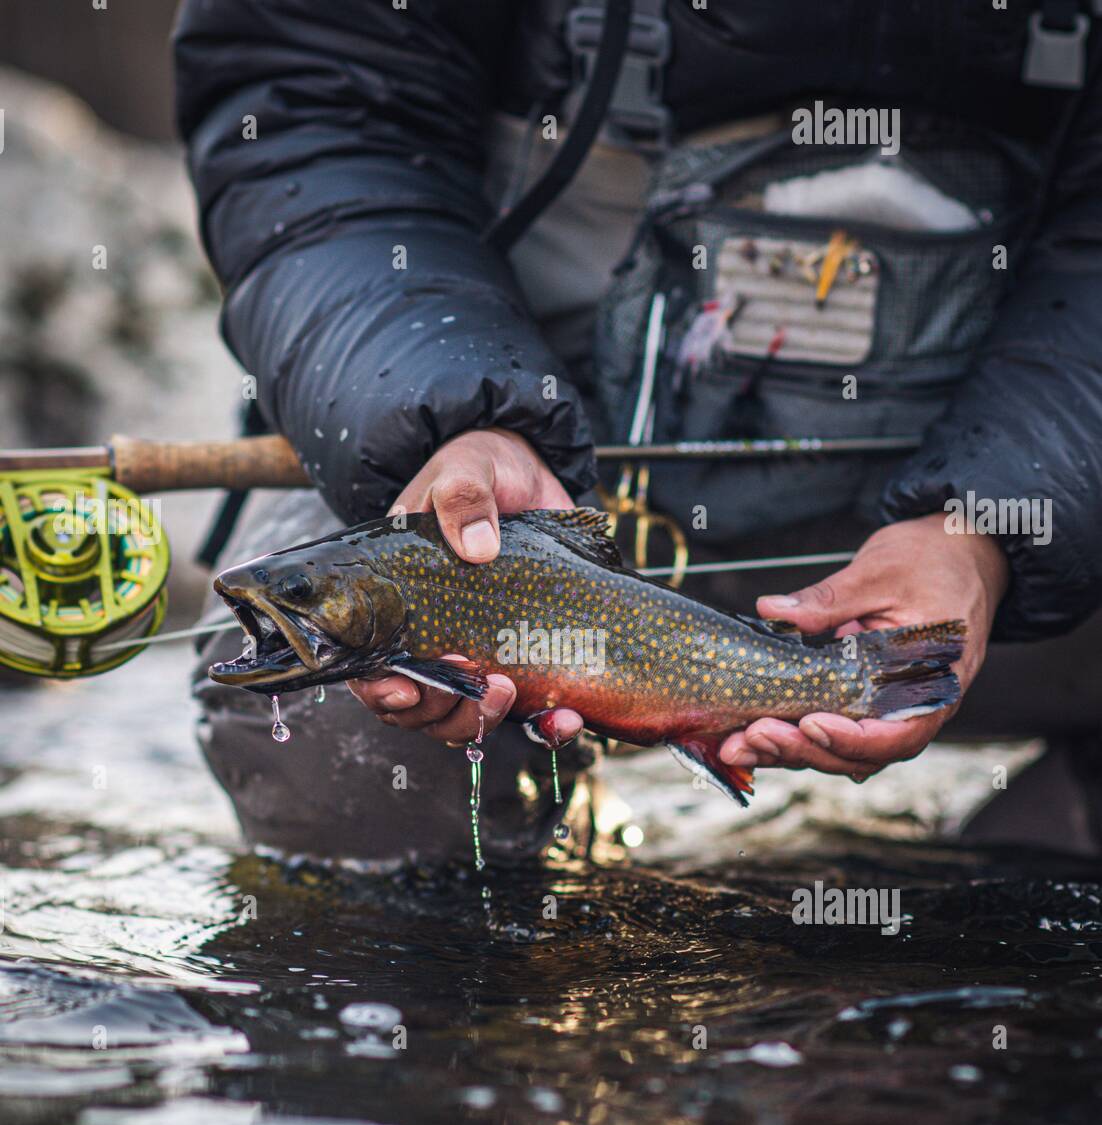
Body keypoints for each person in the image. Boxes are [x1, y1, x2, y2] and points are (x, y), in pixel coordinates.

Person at [173, 1, 1102, 864]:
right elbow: (312, 107)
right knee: (332, 735)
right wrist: (459, 420)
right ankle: (491, 982)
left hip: (1010, 508)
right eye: (296, 596)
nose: (271, 600)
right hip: (517, 431)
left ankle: (1010, 886)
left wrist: (989, 529)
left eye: (295, 595)